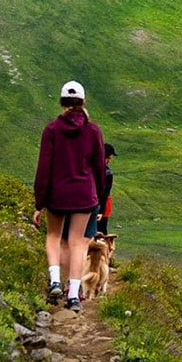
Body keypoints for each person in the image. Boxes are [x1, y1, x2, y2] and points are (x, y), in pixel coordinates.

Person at [32, 80, 107, 311]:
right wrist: (99, 197)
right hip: (84, 195)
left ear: (62, 102)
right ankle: (73, 296)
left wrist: (39, 202)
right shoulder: (93, 130)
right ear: (83, 102)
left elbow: (44, 167)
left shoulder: (52, 130)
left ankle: (55, 280)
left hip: (57, 194)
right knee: (77, 244)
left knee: (54, 237)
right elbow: (98, 167)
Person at [85, 142, 116, 240]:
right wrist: (101, 211)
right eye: (109, 158)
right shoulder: (107, 174)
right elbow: (104, 194)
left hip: (84, 204)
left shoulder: (88, 168)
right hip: (100, 207)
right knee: (101, 231)